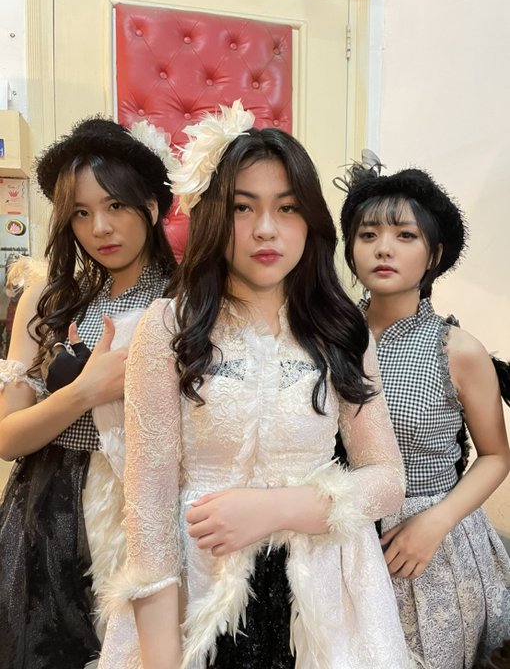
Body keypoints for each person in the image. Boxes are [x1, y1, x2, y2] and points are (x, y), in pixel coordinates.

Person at [99, 101, 409, 669]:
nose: (266, 229)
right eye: (243, 207)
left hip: (325, 596)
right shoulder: (168, 328)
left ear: (310, 221)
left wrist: (276, 508)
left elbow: (387, 480)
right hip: (200, 592)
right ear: (215, 217)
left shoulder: (341, 330)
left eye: (287, 208)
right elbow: (148, 517)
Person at [0, 117, 177, 669]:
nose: (100, 227)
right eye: (80, 212)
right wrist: (82, 392)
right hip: (50, 509)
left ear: (151, 206)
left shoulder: (188, 301)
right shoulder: (48, 301)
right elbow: (7, 438)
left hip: (152, 508)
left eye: (115, 205)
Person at [338, 155, 510, 669]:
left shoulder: (457, 349)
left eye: (405, 236)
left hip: (432, 546)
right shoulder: (325, 338)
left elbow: (496, 456)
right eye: (368, 235)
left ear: (434, 254)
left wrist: (435, 523)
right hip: (338, 538)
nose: (383, 248)